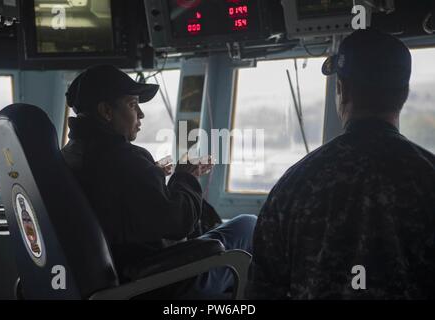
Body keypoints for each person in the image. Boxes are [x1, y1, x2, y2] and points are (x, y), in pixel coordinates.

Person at [248, 29, 435, 299]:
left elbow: (261, 291)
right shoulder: (428, 177)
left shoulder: (293, 186)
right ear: (403, 94)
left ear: (341, 89)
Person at [61, 65, 257, 298]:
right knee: (248, 224)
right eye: (133, 105)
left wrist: (153, 175)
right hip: (158, 283)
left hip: (116, 273)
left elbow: (117, 202)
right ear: (106, 111)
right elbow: (178, 223)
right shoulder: (125, 158)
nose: (141, 114)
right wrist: (186, 175)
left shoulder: (70, 155)